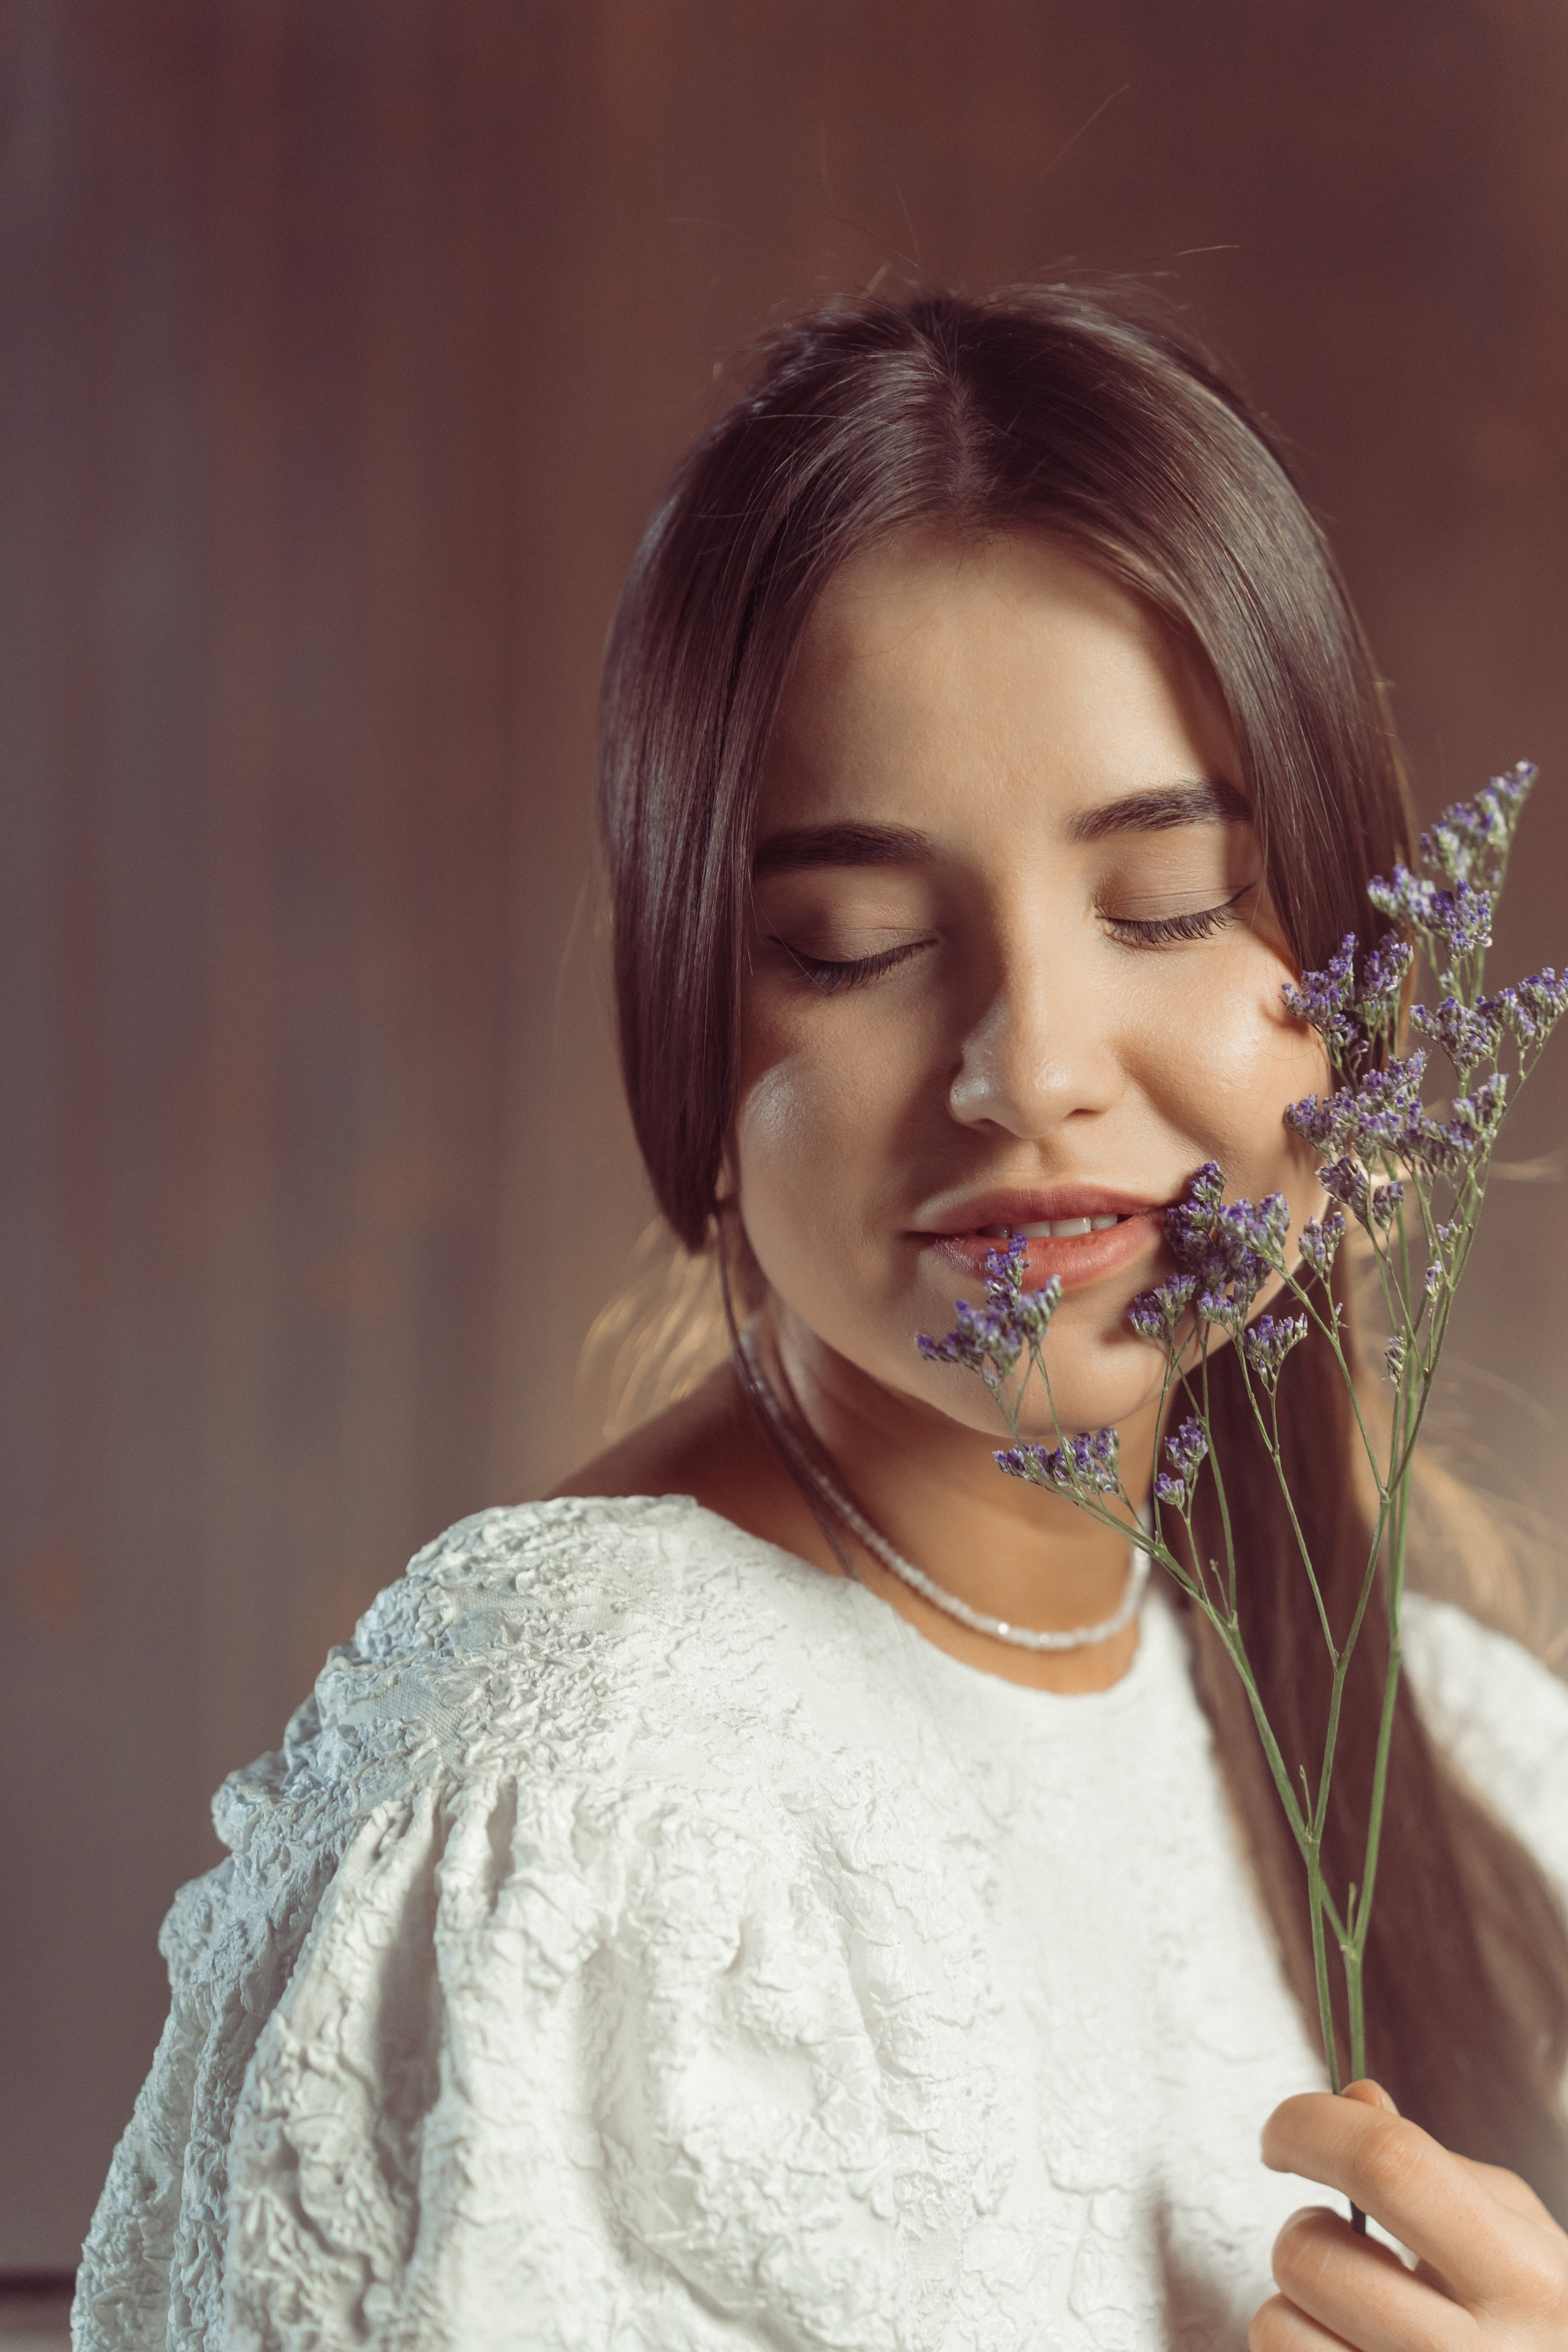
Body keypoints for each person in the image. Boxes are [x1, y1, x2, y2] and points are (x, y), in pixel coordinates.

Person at [75, 287, 1568, 2351]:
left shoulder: (1457, 1753)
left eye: (1163, 908)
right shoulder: (584, 1799)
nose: (1031, 1064)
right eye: (857, 947)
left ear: (1362, 970)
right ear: (690, 1027)